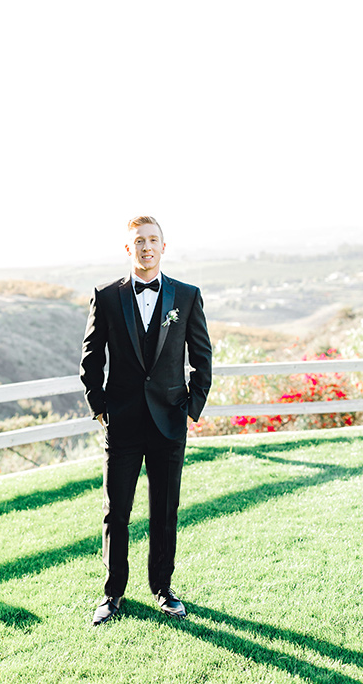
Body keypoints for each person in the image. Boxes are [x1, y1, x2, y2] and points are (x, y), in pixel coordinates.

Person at [80, 215, 212, 625]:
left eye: (153, 240)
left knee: (164, 511)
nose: (146, 247)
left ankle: (163, 588)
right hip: (121, 423)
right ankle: (113, 593)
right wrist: (100, 407)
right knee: (115, 511)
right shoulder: (105, 297)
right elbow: (90, 360)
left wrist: (191, 407)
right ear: (128, 249)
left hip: (169, 423)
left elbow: (202, 358)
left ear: (163, 246)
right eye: (138, 241)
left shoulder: (187, 296)